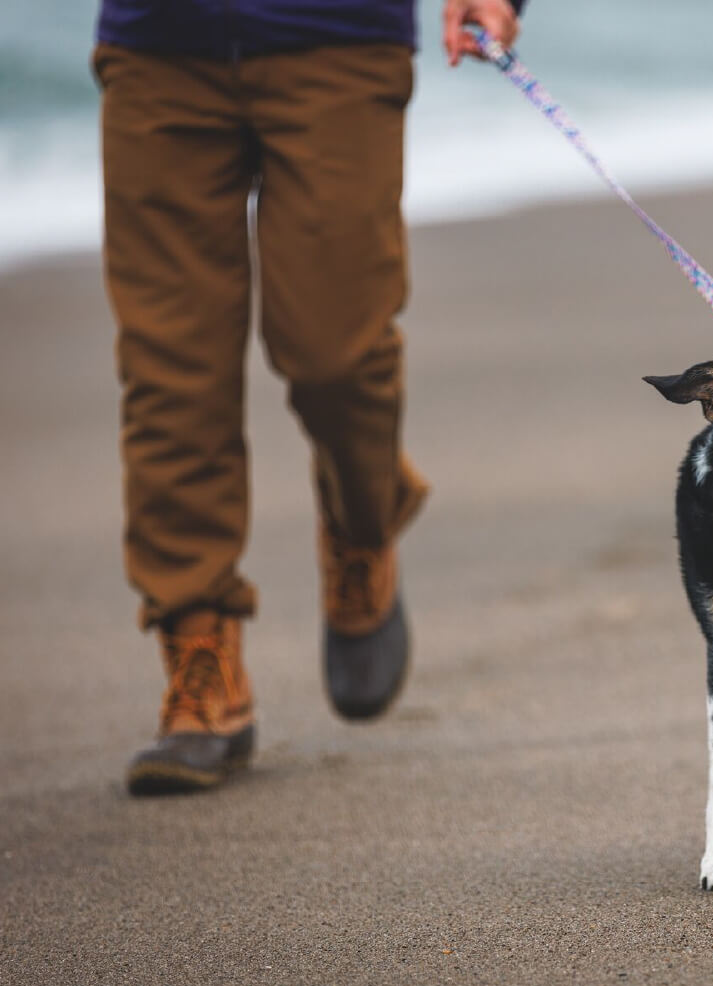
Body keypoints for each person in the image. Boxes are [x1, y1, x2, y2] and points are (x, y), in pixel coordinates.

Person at [93, 0, 523, 795]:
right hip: (156, 49)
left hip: (337, 39)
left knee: (338, 355)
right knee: (168, 373)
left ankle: (363, 522)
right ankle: (199, 654)